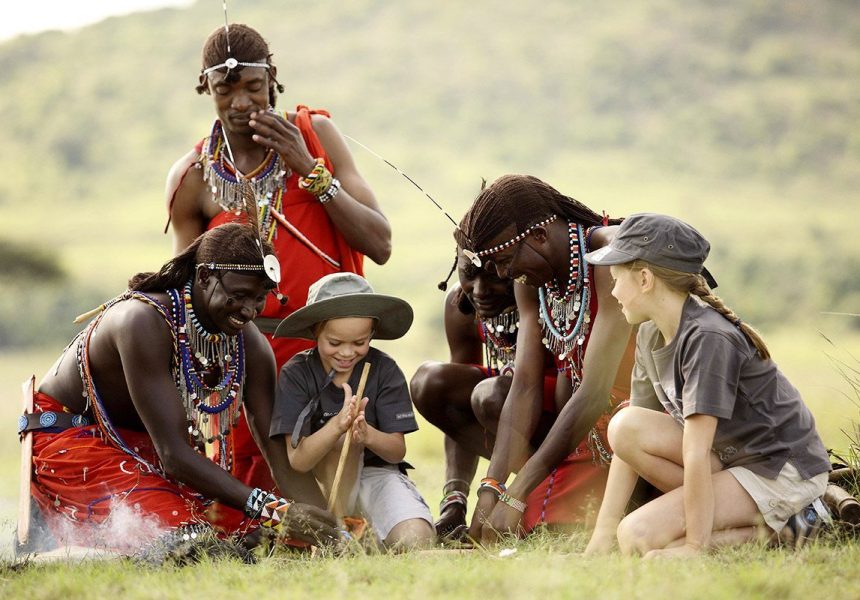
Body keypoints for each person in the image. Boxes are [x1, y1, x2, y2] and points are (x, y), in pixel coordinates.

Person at [165, 23, 392, 496]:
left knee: (346, 497)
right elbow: (189, 296)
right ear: (205, 87)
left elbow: (380, 243)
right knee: (257, 514)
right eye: (226, 90)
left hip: (330, 353)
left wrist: (307, 166)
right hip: (249, 362)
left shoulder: (315, 135)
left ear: (272, 78)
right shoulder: (192, 178)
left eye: (253, 86)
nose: (242, 103)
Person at [23, 223, 340, 553]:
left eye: (260, 299)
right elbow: (174, 456)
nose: (249, 311)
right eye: (239, 295)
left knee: (245, 527)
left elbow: (278, 455)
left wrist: (333, 529)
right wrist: (277, 511)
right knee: (190, 538)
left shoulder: (251, 346)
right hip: (70, 441)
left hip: (145, 452)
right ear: (204, 277)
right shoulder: (142, 321)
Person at [582, 213, 831, 557]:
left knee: (638, 535)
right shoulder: (651, 331)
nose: (612, 291)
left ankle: (791, 525)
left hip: (779, 468)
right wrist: (601, 536)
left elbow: (696, 451)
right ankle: (772, 524)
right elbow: (638, 435)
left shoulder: (708, 338)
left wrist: (694, 547)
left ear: (644, 279)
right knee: (625, 427)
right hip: (730, 460)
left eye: (615, 278)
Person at [454, 174, 635, 543]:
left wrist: (517, 492)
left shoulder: (609, 255)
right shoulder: (531, 282)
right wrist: (492, 486)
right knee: (530, 527)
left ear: (538, 236)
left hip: (644, 430)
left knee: (549, 524)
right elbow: (523, 387)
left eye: (504, 262)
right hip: (588, 437)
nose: (504, 276)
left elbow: (595, 391)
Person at [411, 247, 623, 538]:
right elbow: (454, 409)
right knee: (430, 382)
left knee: (493, 394)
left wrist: (497, 488)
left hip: (568, 417)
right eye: (469, 274)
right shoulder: (461, 306)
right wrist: (454, 500)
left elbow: (528, 387)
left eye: (496, 276)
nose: (481, 290)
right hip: (508, 417)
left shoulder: (548, 297)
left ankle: (534, 486)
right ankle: (492, 493)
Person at [270, 272, 435, 549]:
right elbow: (298, 461)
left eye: (359, 343)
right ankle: (342, 534)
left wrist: (367, 435)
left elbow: (397, 450)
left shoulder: (385, 370)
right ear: (315, 332)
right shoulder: (296, 374)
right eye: (335, 343)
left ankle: (370, 540)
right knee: (340, 441)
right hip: (322, 485)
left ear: (371, 334)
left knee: (416, 539)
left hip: (377, 474)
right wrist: (337, 426)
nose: (347, 353)